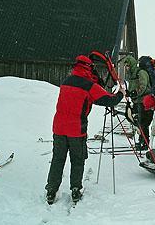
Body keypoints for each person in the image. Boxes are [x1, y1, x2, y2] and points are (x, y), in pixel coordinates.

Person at [45, 55, 124, 205]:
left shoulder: (66, 81)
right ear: (89, 68)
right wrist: (120, 93)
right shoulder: (88, 85)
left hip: (59, 128)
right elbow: (109, 100)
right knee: (77, 160)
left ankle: (51, 190)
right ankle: (75, 188)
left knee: (58, 159)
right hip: (77, 130)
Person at [122, 55, 153, 150]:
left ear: (131, 64)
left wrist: (135, 92)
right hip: (137, 101)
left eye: (127, 65)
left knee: (143, 123)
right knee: (137, 121)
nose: (126, 68)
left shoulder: (141, 72)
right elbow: (133, 87)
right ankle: (142, 140)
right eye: (125, 66)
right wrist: (129, 93)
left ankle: (145, 143)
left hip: (145, 102)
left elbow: (143, 86)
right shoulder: (132, 74)